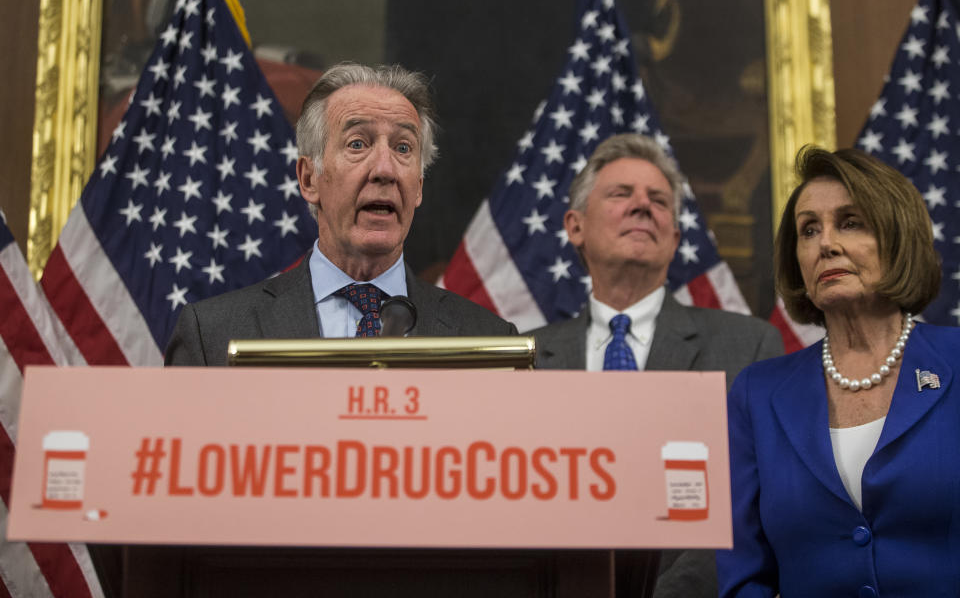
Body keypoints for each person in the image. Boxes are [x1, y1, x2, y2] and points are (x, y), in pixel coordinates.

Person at [531, 133, 783, 598]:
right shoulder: (525, 355)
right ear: (575, 226)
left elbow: (751, 510)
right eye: (621, 194)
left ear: (675, 238)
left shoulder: (748, 347)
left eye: (659, 201)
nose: (642, 206)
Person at [716, 147, 958, 597]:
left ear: (897, 238)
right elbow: (745, 574)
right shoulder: (758, 394)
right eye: (809, 230)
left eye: (850, 222)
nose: (825, 243)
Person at [165, 62, 515, 366]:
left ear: (419, 187)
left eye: (403, 147)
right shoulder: (212, 336)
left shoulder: (488, 340)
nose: (385, 169)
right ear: (308, 178)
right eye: (358, 144)